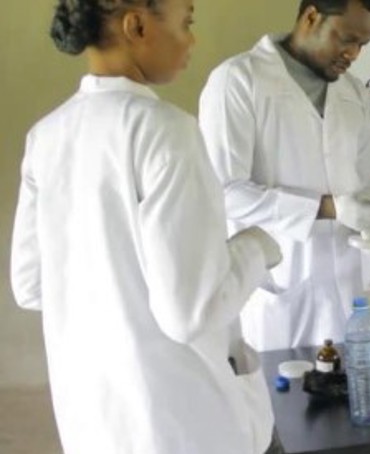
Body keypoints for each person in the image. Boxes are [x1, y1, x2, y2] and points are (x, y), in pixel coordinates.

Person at [9, 1, 286, 453]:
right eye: (186, 23)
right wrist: (258, 246)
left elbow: (30, 285)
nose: (191, 40)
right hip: (187, 425)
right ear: (136, 25)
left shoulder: (46, 136)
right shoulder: (165, 131)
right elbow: (189, 313)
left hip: (96, 425)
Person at [199, 0, 370, 351]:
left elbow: (364, 187)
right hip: (276, 292)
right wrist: (329, 208)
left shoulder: (355, 93)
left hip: (346, 294)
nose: (353, 53)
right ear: (311, 16)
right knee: (281, 399)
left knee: (352, 395)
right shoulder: (238, 80)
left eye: (362, 45)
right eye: (346, 38)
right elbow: (224, 193)